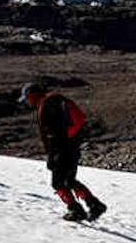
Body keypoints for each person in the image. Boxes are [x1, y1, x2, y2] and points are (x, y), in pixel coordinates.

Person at [19, 81, 107, 222]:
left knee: (58, 183)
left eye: (27, 98)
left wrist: (57, 148)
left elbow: (56, 131)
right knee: (69, 180)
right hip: (70, 147)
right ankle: (94, 205)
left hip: (61, 149)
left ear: (33, 95)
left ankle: (76, 209)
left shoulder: (48, 103)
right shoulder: (53, 100)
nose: (27, 102)